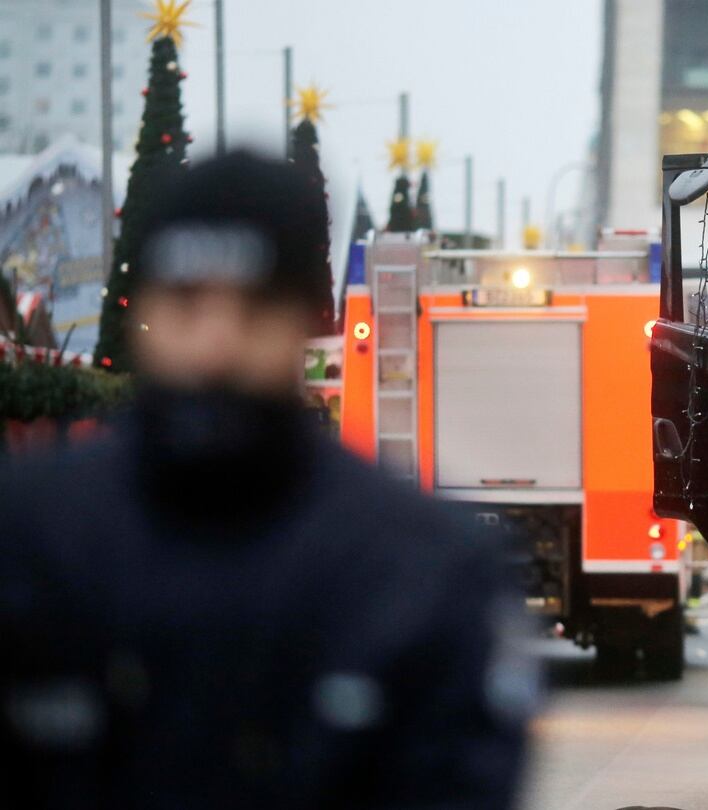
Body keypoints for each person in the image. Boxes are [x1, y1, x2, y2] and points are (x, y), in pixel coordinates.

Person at [0, 152, 535, 809]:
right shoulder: (30, 543)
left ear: (305, 325)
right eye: (187, 302)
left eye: (254, 307)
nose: (216, 344)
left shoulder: (423, 570)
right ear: (141, 310)